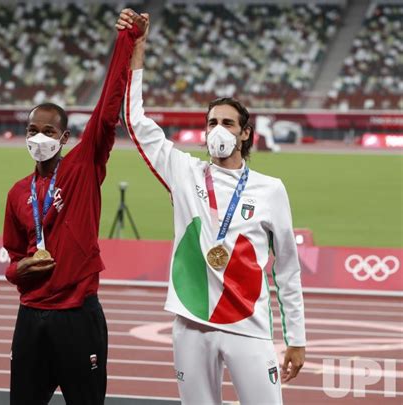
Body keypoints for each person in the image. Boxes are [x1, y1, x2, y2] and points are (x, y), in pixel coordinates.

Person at [117, 11, 305, 405]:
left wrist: (297, 339)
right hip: (191, 321)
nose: (219, 130)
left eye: (229, 123)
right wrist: (138, 49)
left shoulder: (271, 189)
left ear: (246, 133)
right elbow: (136, 121)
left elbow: (287, 266)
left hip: (248, 325)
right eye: (212, 122)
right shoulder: (184, 172)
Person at [3, 11, 146, 405]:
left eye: (48, 131)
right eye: (32, 130)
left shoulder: (84, 167)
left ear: (64, 137)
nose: (39, 138)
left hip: (77, 315)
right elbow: (14, 257)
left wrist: (127, 42)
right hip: (30, 316)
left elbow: (107, 108)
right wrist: (19, 269)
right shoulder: (17, 193)